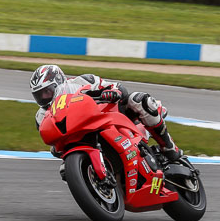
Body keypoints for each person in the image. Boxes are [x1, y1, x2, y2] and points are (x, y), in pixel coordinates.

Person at [30, 64, 182, 162]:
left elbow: (119, 88)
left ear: (59, 81)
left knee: (139, 100)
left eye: (47, 92)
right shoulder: (41, 116)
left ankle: (168, 147)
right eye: (39, 95)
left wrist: (111, 92)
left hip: (111, 116)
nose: (44, 98)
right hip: (80, 135)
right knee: (65, 169)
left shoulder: (82, 81)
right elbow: (53, 140)